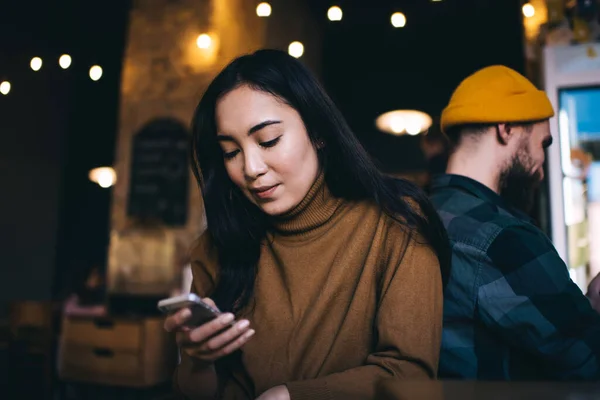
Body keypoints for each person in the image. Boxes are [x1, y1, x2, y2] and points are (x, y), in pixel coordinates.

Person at [164, 49, 451, 399]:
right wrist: (197, 362)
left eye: (268, 140)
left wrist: (291, 396)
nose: (251, 167)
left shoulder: (395, 223)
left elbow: (411, 376)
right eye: (230, 152)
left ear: (318, 132)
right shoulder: (217, 247)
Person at [431, 65, 600, 380]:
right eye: (542, 144)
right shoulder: (500, 236)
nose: (541, 167)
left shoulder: (423, 213)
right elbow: (587, 358)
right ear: (505, 128)